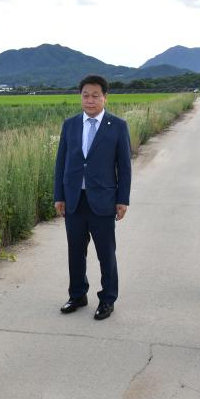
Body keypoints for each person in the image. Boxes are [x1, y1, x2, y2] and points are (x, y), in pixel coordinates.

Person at [54, 74, 132, 321]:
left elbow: (124, 167)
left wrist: (123, 199)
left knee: (105, 253)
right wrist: (59, 195)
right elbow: (61, 163)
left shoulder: (117, 126)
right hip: (74, 199)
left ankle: (107, 299)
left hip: (104, 200)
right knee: (75, 251)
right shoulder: (70, 125)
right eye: (85, 95)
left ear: (105, 97)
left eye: (95, 95)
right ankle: (77, 295)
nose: (90, 100)